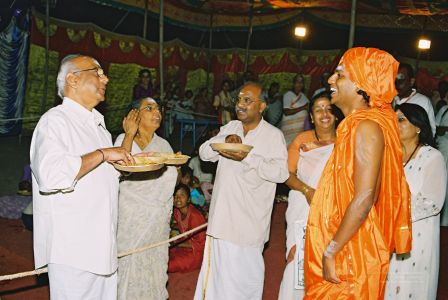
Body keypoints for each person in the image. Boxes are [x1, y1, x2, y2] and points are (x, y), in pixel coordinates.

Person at [304, 47, 412, 299]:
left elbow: (365, 196)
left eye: (340, 75)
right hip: (343, 238)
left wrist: (332, 249)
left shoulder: (366, 127)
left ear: (362, 84)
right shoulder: (353, 127)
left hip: (352, 248)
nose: (331, 80)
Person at [30, 54, 133, 299]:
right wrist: (102, 154)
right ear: (72, 80)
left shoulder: (98, 127)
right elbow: (51, 175)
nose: (105, 78)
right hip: (73, 250)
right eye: (97, 72)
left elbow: (102, 179)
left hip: (103, 246)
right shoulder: (54, 121)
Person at [194, 82, 289, 300]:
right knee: (217, 280)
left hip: (249, 225)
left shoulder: (273, 136)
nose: (240, 105)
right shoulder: (231, 128)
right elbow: (204, 153)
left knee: (245, 282)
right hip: (222, 220)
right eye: (238, 99)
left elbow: (281, 173)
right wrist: (224, 140)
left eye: (247, 100)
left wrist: (247, 157)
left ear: (262, 106)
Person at [114, 97, 178, 300]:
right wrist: (129, 134)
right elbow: (119, 171)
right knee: (129, 264)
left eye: (158, 108)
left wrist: (176, 168)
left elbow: (169, 183)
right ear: (134, 115)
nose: (156, 112)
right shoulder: (122, 141)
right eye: (149, 108)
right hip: (131, 219)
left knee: (154, 265)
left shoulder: (164, 145)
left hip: (156, 221)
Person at [278, 91, 339, 300]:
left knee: (329, 260)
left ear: (336, 114)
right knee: (298, 259)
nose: (324, 114)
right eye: (318, 109)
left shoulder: (346, 142)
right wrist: (307, 191)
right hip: (302, 207)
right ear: (311, 117)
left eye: (329, 108)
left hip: (334, 211)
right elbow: (286, 174)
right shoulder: (302, 140)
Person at [385, 103, 446, 300]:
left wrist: (394, 214)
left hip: (417, 240)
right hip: (389, 239)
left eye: (401, 120)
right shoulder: (390, 157)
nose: (396, 124)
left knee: (410, 291)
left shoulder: (432, 157)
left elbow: (432, 202)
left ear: (418, 126)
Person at [168, 183, 207, 273]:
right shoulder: (177, 211)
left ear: (189, 199)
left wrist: (177, 243)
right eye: (175, 196)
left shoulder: (195, 216)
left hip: (195, 253)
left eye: (182, 195)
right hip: (183, 245)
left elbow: (202, 244)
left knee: (168, 264)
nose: (178, 198)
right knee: (163, 254)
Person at [393, 63, 436, 136]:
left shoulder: (422, 101)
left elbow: (431, 131)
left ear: (411, 81)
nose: (397, 82)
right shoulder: (393, 99)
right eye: (395, 78)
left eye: (401, 77)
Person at [281, 74, 309, 146]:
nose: (299, 84)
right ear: (293, 83)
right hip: (289, 131)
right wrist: (303, 107)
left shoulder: (303, 95)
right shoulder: (288, 95)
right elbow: (286, 112)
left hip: (300, 130)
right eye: (297, 82)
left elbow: (308, 107)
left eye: (301, 82)